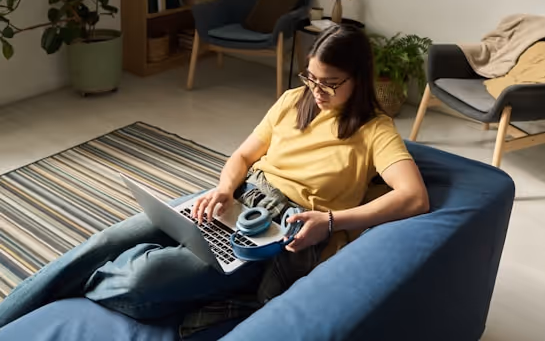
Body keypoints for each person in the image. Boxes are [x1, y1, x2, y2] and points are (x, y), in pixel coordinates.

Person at [0, 24, 429, 333]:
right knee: (98, 245)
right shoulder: (293, 100)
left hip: (276, 232)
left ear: (360, 79)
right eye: (311, 77)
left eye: (330, 84)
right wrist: (224, 188)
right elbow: (244, 154)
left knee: (141, 282)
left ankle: (124, 270)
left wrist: (332, 222)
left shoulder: (375, 130)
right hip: (238, 198)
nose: (317, 91)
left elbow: (414, 197)